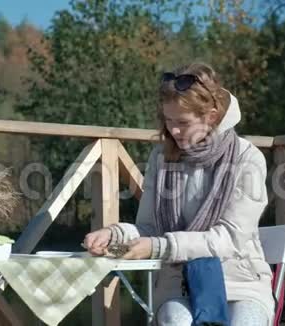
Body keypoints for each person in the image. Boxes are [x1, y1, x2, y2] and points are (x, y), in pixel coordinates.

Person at [84, 63, 274, 325]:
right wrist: (114, 234)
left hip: (240, 283)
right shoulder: (161, 157)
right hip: (179, 284)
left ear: (212, 115)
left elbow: (229, 239)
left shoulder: (247, 157)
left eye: (183, 122)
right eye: (168, 121)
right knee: (176, 321)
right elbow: (149, 227)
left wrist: (161, 246)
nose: (173, 131)